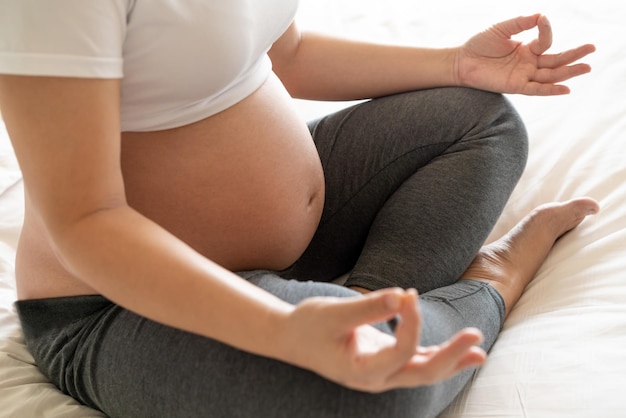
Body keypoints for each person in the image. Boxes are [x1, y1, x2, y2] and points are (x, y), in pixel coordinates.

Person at [0, 2, 598, 417]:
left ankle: (368, 314)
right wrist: (282, 330)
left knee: (482, 121)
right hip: (118, 304)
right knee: (371, 398)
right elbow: (84, 219)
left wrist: (454, 65)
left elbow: (289, 52)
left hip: (296, 232)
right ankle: (490, 284)